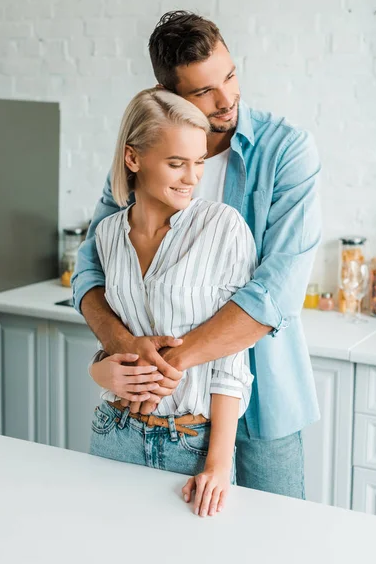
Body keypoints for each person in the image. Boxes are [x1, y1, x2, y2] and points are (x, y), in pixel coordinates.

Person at [72, 11, 322, 500]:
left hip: (260, 396)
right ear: (168, 94)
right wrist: (122, 348)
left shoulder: (287, 150)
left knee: (276, 541)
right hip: (164, 412)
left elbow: (276, 294)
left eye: (229, 75)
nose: (227, 99)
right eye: (204, 91)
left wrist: (170, 364)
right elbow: (92, 263)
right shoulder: (145, 156)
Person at [90, 87, 256, 518]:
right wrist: (99, 370)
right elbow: (115, 337)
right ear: (133, 158)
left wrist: (218, 465)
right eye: (176, 163)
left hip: (191, 445)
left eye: (199, 162)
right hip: (115, 432)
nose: (192, 177)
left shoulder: (223, 227)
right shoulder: (106, 236)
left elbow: (232, 360)